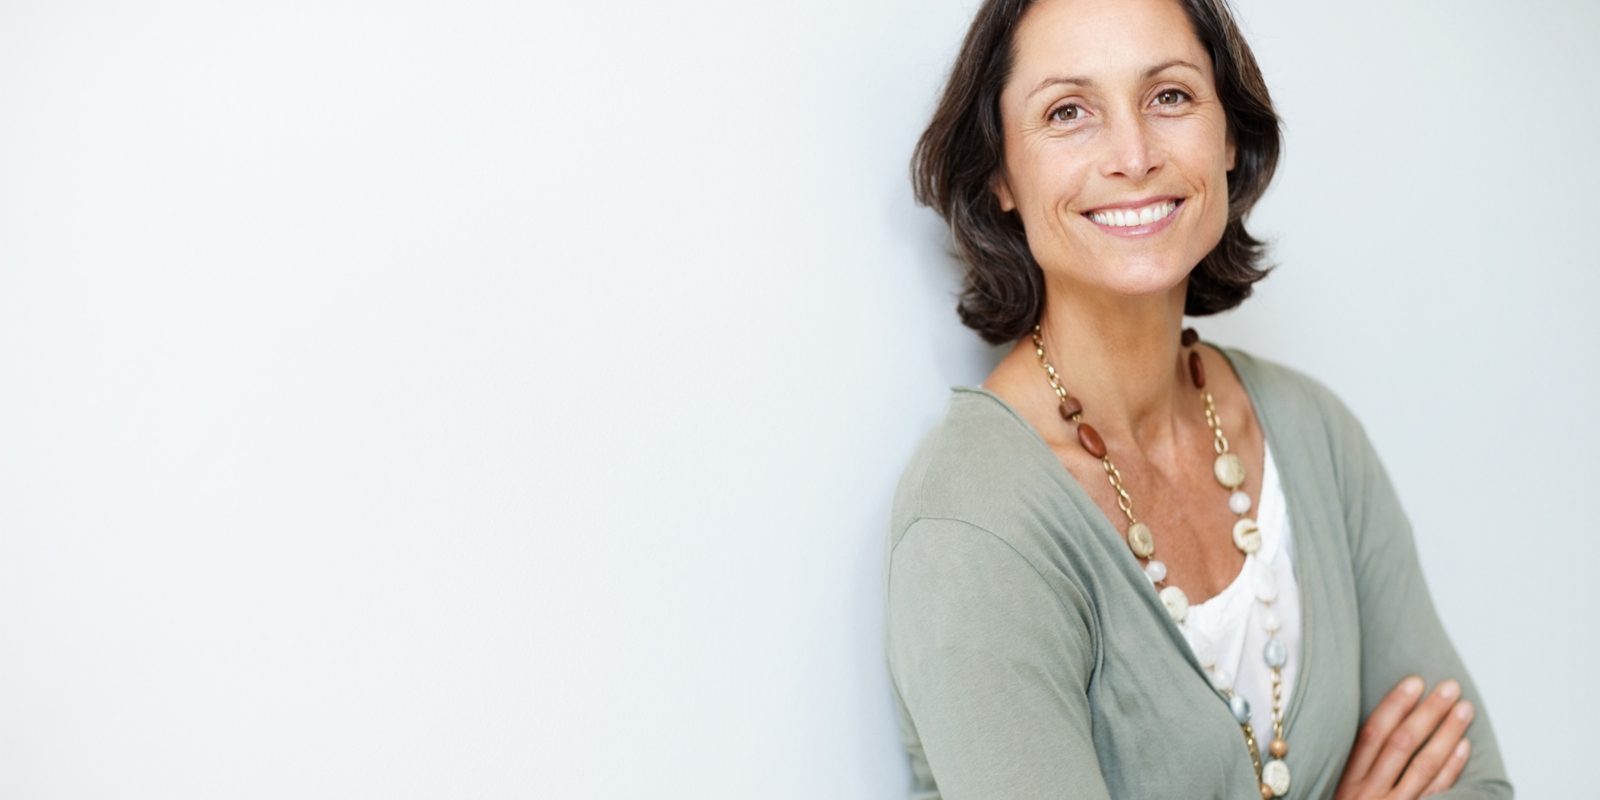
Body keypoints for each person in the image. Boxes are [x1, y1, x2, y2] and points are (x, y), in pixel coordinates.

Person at [883, 0, 1514, 798]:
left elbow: (1473, 781)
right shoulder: (974, 521)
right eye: (1068, 111)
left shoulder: (1312, 434)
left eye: (1170, 96)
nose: (1134, 153)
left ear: (1228, 138)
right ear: (1000, 174)